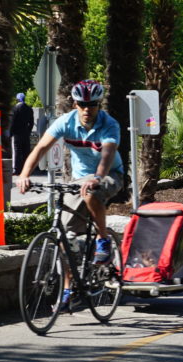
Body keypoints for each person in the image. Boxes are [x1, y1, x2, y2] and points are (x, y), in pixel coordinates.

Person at [16, 80, 124, 267]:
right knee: (65, 236)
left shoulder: (109, 124)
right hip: (79, 179)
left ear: (99, 104)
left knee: (91, 191)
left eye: (92, 105)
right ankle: (68, 289)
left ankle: (103, 239)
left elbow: (107, 155)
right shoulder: (66, 122)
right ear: (75, 104)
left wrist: (98, 178)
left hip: (110, 174)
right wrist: (24, 175)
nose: (86, 109)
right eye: (82, 104)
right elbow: (41, 147)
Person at [8, 92, 35, 179]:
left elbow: (12, 122)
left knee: (16, 151)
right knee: (25, 151)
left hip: (16, 134)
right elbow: (31, 122)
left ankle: (16, 169)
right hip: (25, 134)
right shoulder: (29, 109)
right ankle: (25, 169)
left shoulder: (15, 109)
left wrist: (10, 133)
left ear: (17, 99)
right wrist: (28, 131)